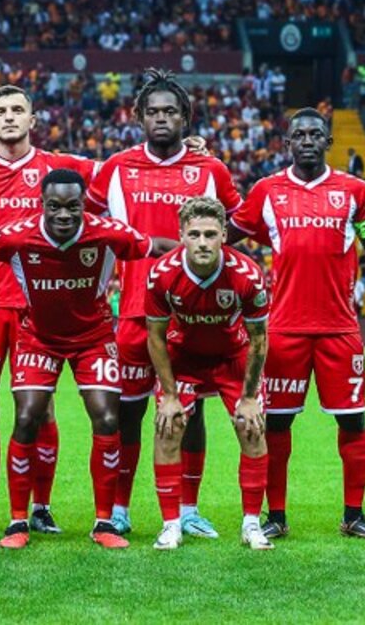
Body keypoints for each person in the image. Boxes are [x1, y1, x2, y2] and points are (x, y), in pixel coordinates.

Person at [229, 108, 365, 541]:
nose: (307, 140)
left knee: (353, 422)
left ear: (328, 141)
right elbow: (222, 235)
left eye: (315, 134)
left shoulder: (355, 191)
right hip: (284, 330)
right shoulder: (267, 191)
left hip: (339, 330)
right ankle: (276, 516)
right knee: (276, 426)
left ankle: (353, 514)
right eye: (299, 134)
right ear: (287, 142)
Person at [0, 169, 173, 549]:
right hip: (38, 339)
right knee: (27, 417)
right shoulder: (17, 235)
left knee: (107, 417)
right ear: (42, 205)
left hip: (93, 340)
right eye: (54, 206)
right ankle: (17, 522)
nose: (64, 214)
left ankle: (104, 522)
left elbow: (156, 246)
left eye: (72, 206)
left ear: (84, 204)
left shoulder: (108, 233)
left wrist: (202, 252)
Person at [85, 69, 242, 538]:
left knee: (191, 413)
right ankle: (119, 508)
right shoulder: (116, 168)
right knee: (127, 413)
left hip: (194, 316)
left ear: (185, 117)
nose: (161, 118)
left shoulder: (210, 171)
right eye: (152, 112)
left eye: (170, 111)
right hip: (134, 312)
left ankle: (188, 510)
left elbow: (237, 225)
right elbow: (85, 223)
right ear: (138, 117)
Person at [0, 85, 101, 534]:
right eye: (1, 111)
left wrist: (188, 147)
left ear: (33, 120)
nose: (10, 117)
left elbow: (123, 171)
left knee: (41, 408)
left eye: (18, 110)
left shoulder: (59, 167)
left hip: (40, 306)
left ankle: (41, 507)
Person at [144, 197, 272, 551]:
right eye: (195, 234)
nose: (202, 242)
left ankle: (251, 524)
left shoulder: (247, 275)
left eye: (211, 234)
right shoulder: (162, 274)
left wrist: (249, 398)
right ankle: (171, 525)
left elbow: (259, 339)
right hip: (183, 357)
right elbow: (155, 337)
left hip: (232, 356)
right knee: (168, 426)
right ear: (181, 235)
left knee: (251, 427)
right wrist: (170, 396)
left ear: (224, 235)